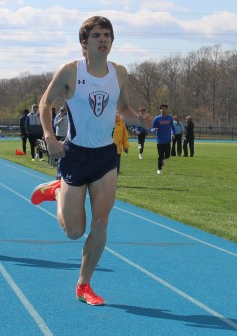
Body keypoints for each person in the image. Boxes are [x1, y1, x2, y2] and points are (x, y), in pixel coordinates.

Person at [29, 16, 144, 306]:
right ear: (84, 41)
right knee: (74, 232)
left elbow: (124, 108)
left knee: (101, 222)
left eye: (107, 35)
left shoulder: (119, 73)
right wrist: (49, 136)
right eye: (96, 35)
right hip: (75, 155)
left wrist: (143, 120)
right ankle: (56, 191)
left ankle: (84, 284)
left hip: (105, 156)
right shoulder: (70, 71)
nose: (103, 40)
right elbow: (45, 102)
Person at [152, 104, 174, 174]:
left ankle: (163, 160)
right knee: (160, 156)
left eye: (165, 109)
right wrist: (154, 129)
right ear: (160, 110)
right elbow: (152, 128)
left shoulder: (170, 118)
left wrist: (173, 134)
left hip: (167, 140)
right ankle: (159, 170)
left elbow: (173, 128)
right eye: (162, 109)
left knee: (167, 155)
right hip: (160, 140)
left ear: (166, 110)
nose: (163, 110)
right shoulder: (156, 118)